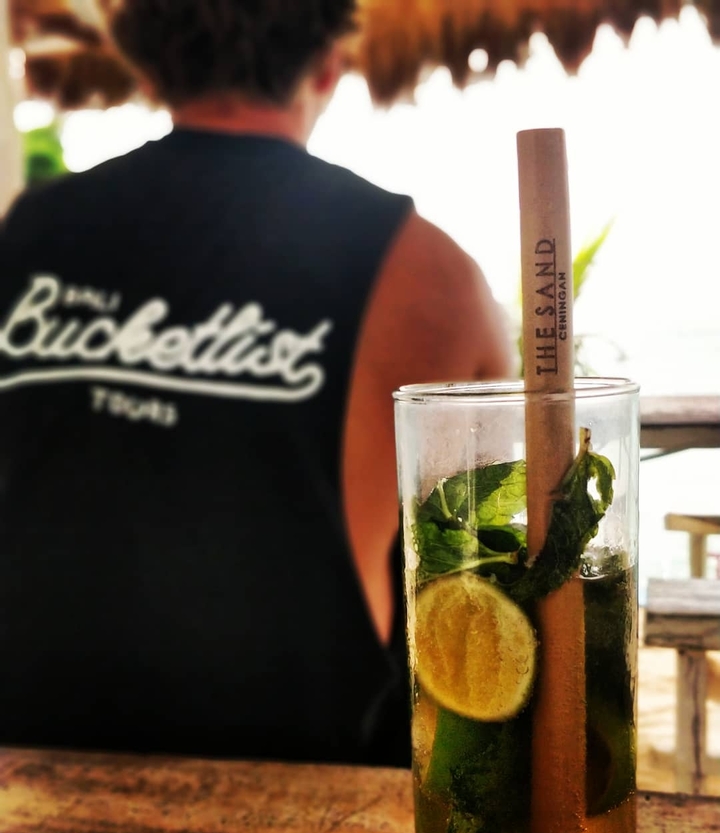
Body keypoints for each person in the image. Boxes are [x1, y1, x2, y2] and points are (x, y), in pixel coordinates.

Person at [0, 0, 512, 766]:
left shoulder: (29, 230)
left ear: (152, 69)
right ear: (327, 68)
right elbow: (482, 558)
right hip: (309, 766)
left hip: (30, 754)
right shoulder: (433, 275)